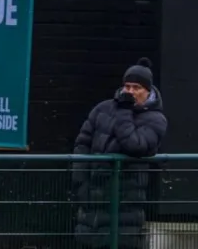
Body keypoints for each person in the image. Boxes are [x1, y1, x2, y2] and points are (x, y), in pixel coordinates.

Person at [72, 58, 168, 249]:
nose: (130, 92)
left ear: (148, 91)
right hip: (92, 201)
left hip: (125, 205)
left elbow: (135, 146)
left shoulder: (156, 119)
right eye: (127, 86)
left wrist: (125, 111)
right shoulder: (102, 109)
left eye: (136, 87)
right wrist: (81, 185)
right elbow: (82, 145)